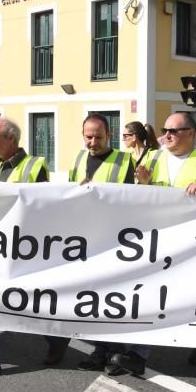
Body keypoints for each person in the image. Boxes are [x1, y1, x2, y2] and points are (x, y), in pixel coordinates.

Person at [0, 116, 56, 382]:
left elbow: (38, 206)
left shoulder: (35, 166)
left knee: (31, 300)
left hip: (24, 246)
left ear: (11, 139)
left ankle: (56, 337)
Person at [136, 111, 196, 365]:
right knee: (150, 292)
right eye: (165, 130)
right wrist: (142, 182)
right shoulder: (152, 157)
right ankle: (138, 351)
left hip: (194, 240)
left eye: (173, 131)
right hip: (159, 236)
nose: (167, 135)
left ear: (190, 134)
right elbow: (139, 198)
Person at [70, 114, 147, 376]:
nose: (92, 142)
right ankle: (101, 350)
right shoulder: (79, 159)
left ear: (109, 136)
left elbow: (138, 198)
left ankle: (116, 351)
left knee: (113, 298)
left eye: (98, 137)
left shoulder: (125, 160)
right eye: (88, 137)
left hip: (115, 240)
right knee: (93, 299)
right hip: (87, 239)